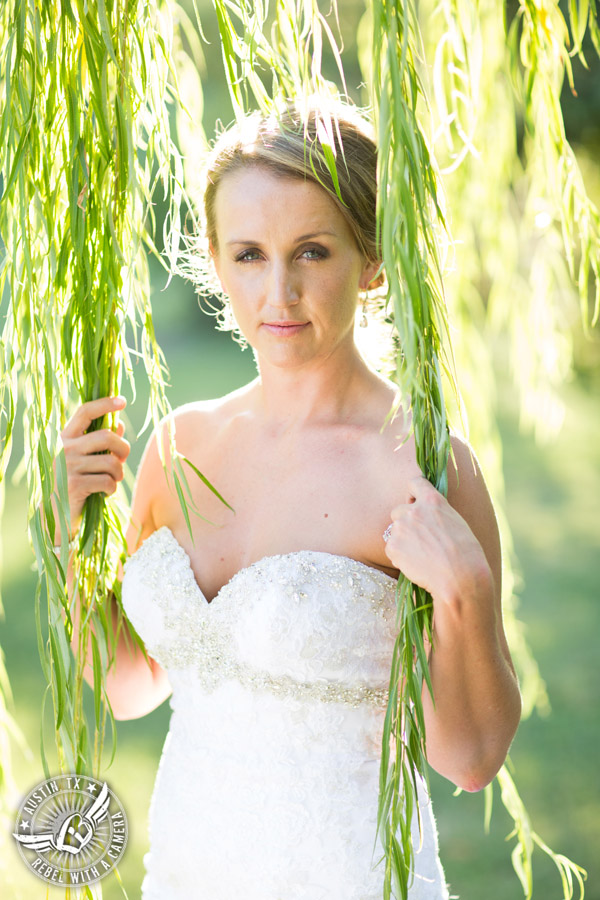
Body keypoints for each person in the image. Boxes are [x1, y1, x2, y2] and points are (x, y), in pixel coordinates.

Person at [57, 98, 522, 899]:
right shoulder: (179, 448)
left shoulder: (419, 466)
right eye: (249, 254)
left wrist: (465, 590)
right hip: (186, 873)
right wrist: (74, 532)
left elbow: (470, 759)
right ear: (214, 257)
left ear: (371, 259)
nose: (279, 292)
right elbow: (134, 686)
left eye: (311, 251)